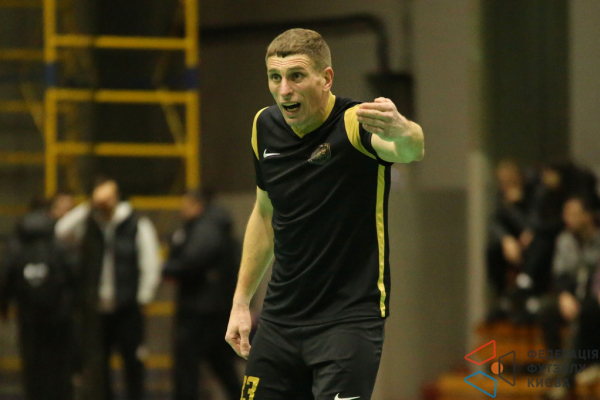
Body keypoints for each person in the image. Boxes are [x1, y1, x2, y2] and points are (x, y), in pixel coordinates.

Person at [224, 29, 424, 400]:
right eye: (275, 77)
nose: (284, 90)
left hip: (347, 321)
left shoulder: (355, 124)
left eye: (296, 76)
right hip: (280, 319)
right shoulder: (263, 127)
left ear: (326, 78)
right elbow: (265, 214)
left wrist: (406, 130)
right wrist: (240, 303)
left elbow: (410, 150)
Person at [55, 177, 162, 400]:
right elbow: (61, 231)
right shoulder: (89, 223)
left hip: (127, 307)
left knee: (132, 361)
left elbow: (150, 263)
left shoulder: (136, 224)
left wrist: (143, 298)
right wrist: (88, 206)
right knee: (99, 364)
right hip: (97, 309)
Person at [163, 189, 241, 400]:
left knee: (188, 369)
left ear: (197, 205)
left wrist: (169, 268)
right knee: (222, 365)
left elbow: (191, 261)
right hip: (215, 308)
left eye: (185, 204)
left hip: (199, 311)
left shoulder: (206, 229)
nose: (182, 210)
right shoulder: (216, 226)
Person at [0, 196, 77, 400]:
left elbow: (5, 277)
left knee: (32, 365)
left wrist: (4, 307)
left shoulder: (16, 245)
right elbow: (74, 274)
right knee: (60, 365)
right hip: (59, 316)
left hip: (28, 316)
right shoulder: (58, 244)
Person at [538, 196, 600, 399]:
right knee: (546, 307)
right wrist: (564, 295)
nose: (568, 219)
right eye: (566, 214)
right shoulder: (564, 240)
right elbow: (560, 274)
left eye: (574, 214)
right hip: (571, 293)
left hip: (593, 295)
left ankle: (565, 380)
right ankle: (556, 359)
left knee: (582, 317)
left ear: (587, 216)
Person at [485, 160, 534, 321]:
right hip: (513, 244)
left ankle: (526, 300)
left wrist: (517, 205)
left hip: (534, 242)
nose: (505, 186)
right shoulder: (502, 198)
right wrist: (506, 239)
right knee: (492, 250)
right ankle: (502, 299)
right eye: (502, 182)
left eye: (508, 181)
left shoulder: (532, 194)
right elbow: (494, 222)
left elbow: (535, 223)